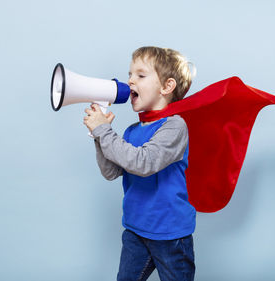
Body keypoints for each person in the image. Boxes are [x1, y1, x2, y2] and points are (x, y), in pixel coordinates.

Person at [83, 46, 196, 281]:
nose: (130, 81)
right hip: (136, 229)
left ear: (167, 86)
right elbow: (111, 171)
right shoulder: (132, 130)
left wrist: (104, 131)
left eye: (140, 75)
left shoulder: (174, 127)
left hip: (169, 233)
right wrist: (98, 136)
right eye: (130, 74)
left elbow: (144, 163)